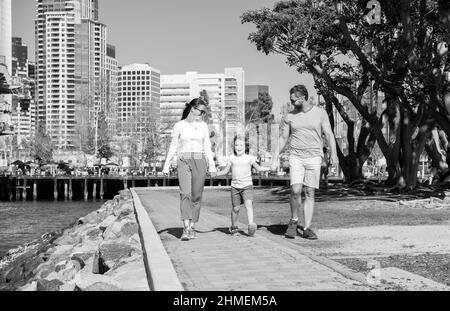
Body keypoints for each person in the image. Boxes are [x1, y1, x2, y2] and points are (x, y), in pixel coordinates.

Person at [270, 85, 338, 240]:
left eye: (293, 100)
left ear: (302, 98)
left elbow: (328, 133)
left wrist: (334, 153)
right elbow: (282, 138)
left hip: (314, 157)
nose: (291, 103)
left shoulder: (320, 113)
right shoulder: (289, 116)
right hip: (296, 156)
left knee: (309, 192)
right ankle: (294, 220)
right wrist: (275, 157)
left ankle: (306, 227)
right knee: (295, 190)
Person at [162, 98, 217, 241]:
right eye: (201, 111)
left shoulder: (204, 126)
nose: (203, 114)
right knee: (185, 193)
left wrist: (212, 166)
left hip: (200, 160)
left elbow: (207, 147)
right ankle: (186, 228)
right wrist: (166, 165)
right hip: (183, 160)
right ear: (193, 109)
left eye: (204, 112)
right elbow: (173, 146)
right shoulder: (179, 125)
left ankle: (193, 226)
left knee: (196, 196)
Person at [216, 135, 270, 237]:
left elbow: (258, 168)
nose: (239, 147)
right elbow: (226, 170)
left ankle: (250, 226)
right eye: (236, 145)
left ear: (245, 146)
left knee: (248, 204)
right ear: (234, 146)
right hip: (235, 187)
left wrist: (268, 168)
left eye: (241, 145)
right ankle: (234, 226)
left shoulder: (249, 158)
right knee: (236, 209)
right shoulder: (231, 158)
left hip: (247, 186)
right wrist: (216, 174)